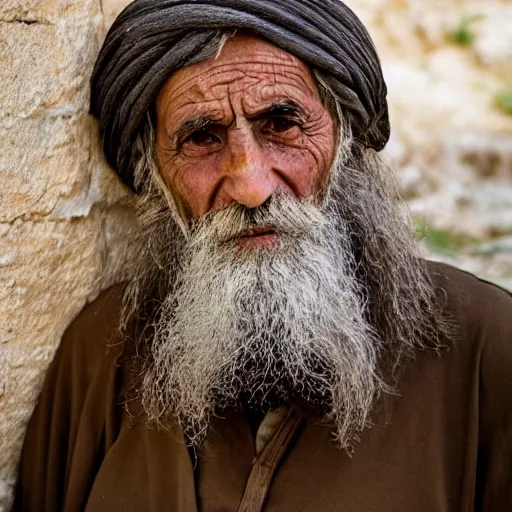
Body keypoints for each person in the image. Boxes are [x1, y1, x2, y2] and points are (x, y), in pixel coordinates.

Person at [14, 1, 512, 510]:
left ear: (344, 140)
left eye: (281, 123)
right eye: (202, 137)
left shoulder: (488, 348)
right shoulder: (99, 354)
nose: (251, 186)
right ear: (157, 174)